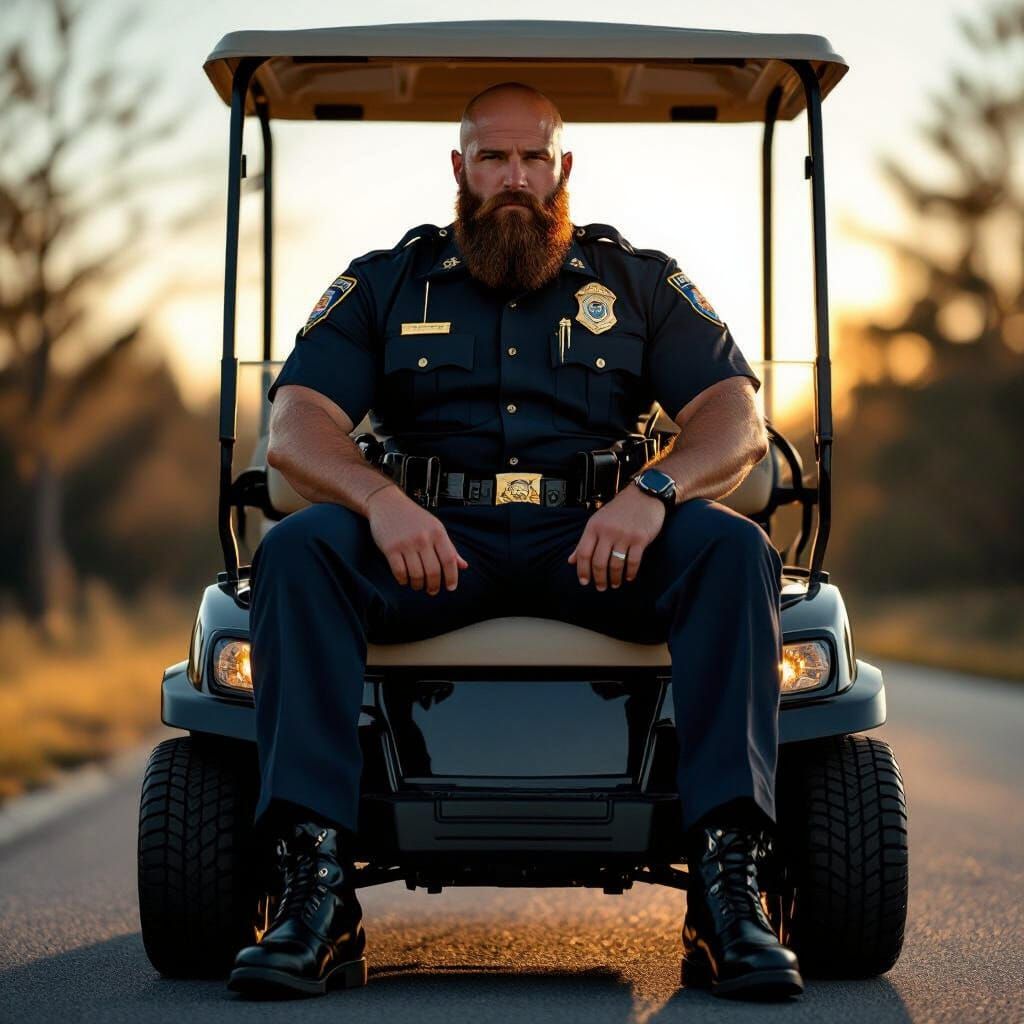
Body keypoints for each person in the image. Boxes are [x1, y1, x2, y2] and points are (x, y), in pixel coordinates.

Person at [227, 82, 801, 1002]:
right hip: (432, 545)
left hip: (599, 543)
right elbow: (295, 429)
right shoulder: (385, 282)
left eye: (534, 158)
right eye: (493, 158)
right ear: (459, 169)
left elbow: (733, 421)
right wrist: (380, 500)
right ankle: (317, 891)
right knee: (300, 553)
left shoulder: (637, 281)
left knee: (731, 550)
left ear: (562, 168)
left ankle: (728, 891)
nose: (515, 178)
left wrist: (653, 493)